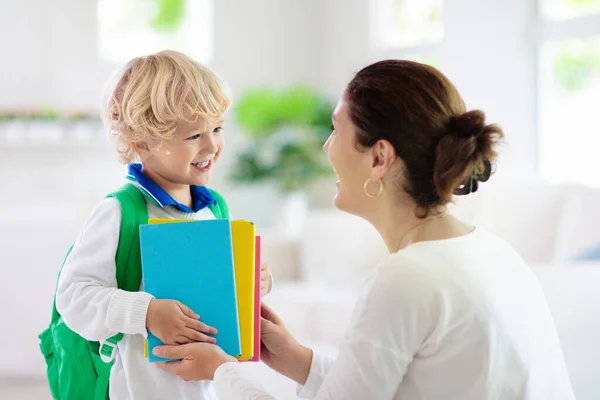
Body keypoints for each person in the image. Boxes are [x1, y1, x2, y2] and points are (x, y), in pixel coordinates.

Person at [151, 60, 575, 400]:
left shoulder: (406, 278)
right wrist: (297, 358)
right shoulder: (492, 250)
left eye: (336, 130)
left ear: (379, 158)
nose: (326, 147)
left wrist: (219, 369)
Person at [55, 50, 272, 400]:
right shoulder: (120, 212)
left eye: (217, 128)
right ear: (143, 141)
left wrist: (254, 281)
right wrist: (146, 312)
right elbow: (73, 297)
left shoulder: (214, 208)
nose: (213, 145)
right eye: (194, 136)